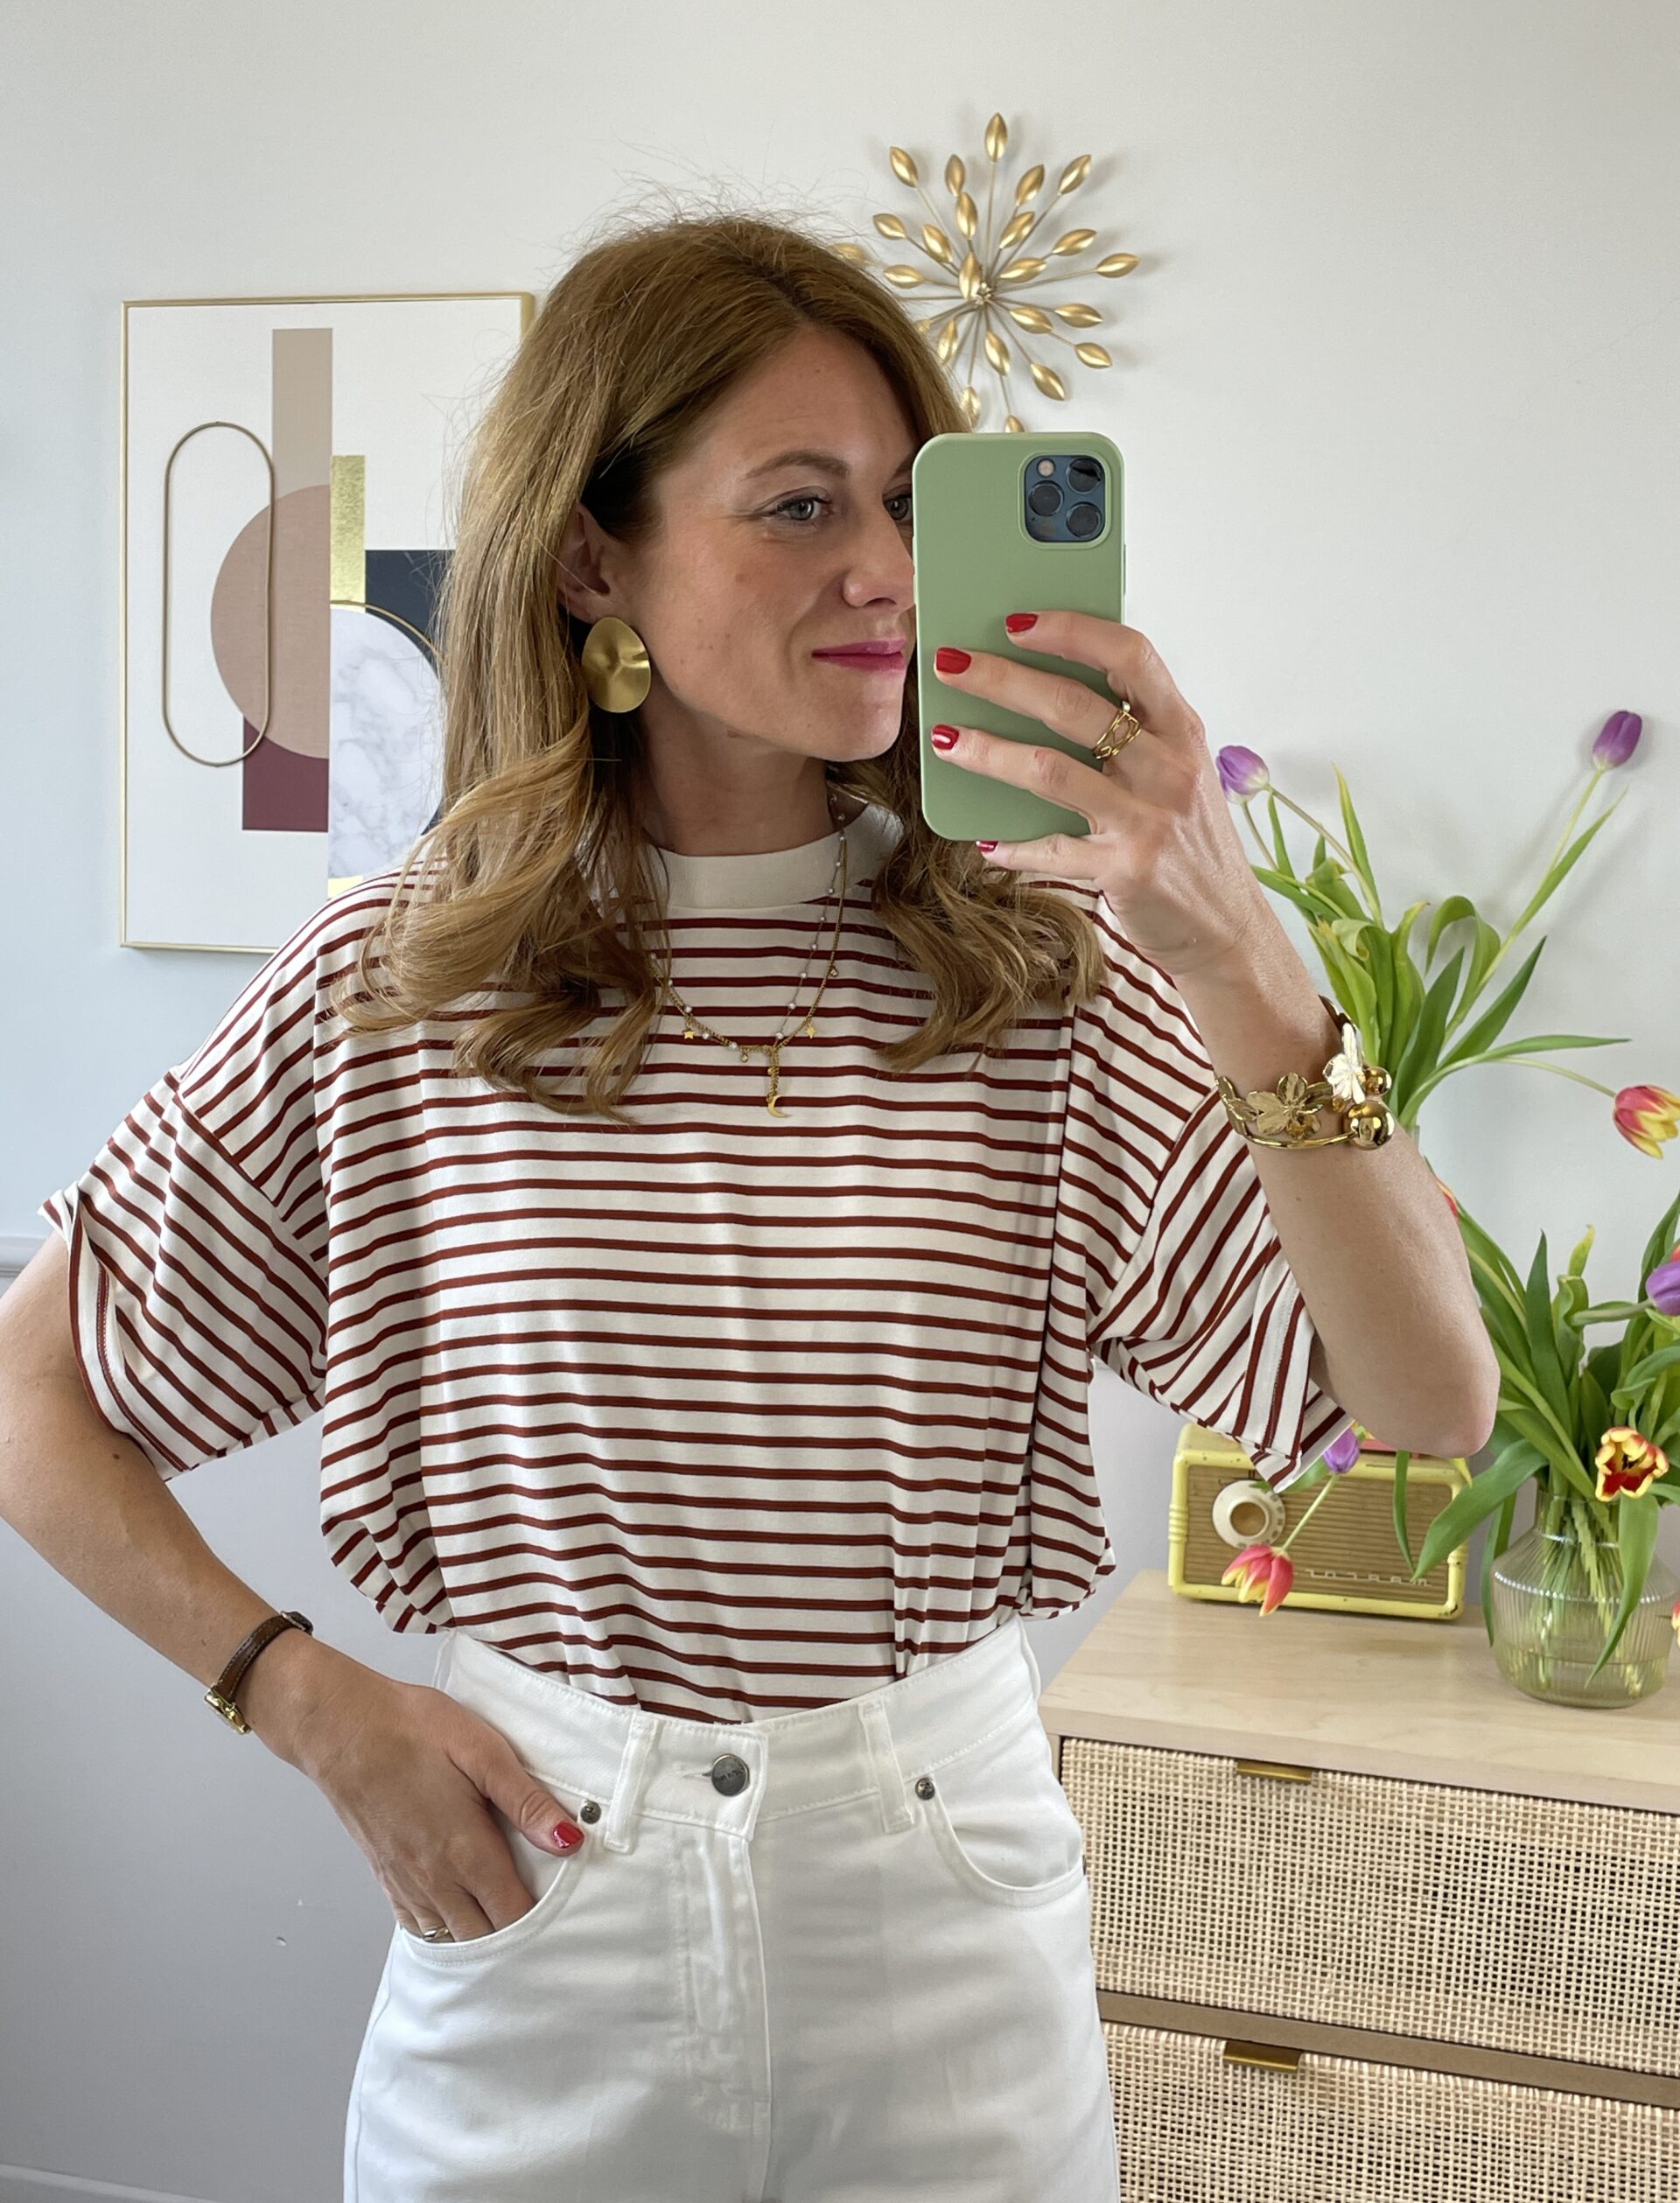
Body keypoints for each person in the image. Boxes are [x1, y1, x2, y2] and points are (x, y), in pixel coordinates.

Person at [3, 205, 1466, 2202]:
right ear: (592, 559)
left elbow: (1425, 1408)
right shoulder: (400, 984)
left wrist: (1241, 956)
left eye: (908, 502)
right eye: (797, 505)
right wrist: (303, 1696)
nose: (886, 570)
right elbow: (35, 1396)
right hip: (547, 1884)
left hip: (940, 1902)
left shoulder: (1042, 975)